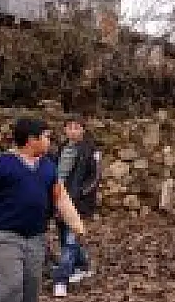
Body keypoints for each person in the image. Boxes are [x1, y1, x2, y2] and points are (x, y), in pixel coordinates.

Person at [0, 118, 85, 302]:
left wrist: (76, 224)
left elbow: (60, 196)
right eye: (46, 136)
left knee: (31, 288)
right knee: (8, 288)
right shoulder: (0, 164)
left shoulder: (48, 166)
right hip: (4, 236)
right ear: (31, 139)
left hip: (36, 237)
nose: (49, 141)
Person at [53, 117, 101, 297]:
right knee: (64, 237)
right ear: (65, 130)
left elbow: (95, 176)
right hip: (59, 198)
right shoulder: (61, 148)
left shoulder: (91, 150)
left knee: (70, 239)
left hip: (78, 202)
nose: (73, 131)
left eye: (77, 128)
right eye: (69, 127)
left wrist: (81, 193)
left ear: (83, 130)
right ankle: (82, 266)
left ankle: (61, 280)